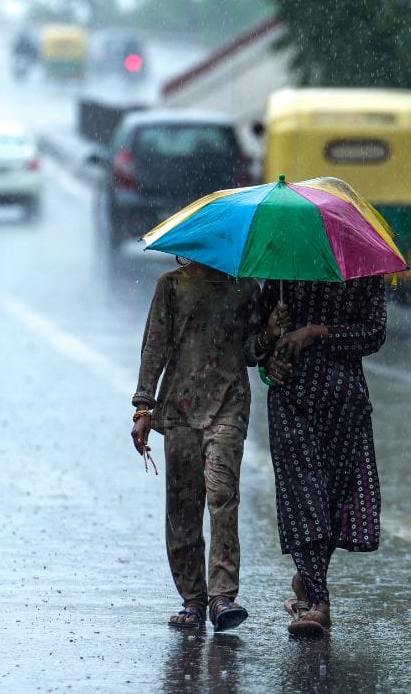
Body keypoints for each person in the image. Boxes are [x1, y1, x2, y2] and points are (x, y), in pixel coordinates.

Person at [131, 259, 288, 631]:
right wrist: (143, 406)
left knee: (222, 495)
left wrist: (270, 333)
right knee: (184, 506)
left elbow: (250, 352)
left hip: (228, 407)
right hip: (180, 410)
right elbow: (155, 346)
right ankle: (193, 599)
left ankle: (222, 596)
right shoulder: (170, 286)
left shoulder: (246, 287)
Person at [256, 276, 387, 638]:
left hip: (344, 401)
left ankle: (307, 580)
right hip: (291, 397)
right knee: (304, 496)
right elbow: (255, 344)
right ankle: (319, 602)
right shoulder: (285, 267)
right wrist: (271, 339)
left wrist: (318, 331)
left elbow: (374, 334)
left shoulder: (362, 273)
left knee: (331, 500)